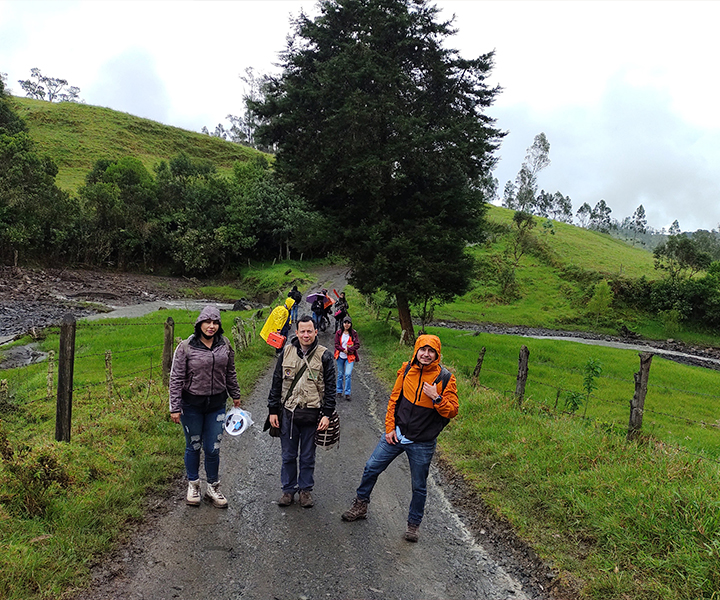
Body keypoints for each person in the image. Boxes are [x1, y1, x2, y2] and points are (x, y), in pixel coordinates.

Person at [341, 334, 458, 542]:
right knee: (371, 467)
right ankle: (361, 505)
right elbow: (394, 400)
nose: (426, 354)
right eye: (423, 349)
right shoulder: (406, 370)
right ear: (416, 350)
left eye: (431, 351)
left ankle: (413, 525)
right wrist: (389, 428)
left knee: (419, 485)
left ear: (437, 354)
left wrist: (436, 397)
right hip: (397, 434)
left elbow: (452, 411)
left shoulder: (445, 378)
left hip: (422, 442)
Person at [169, 305, 242, 508]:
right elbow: (176, 378)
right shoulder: (185, 347)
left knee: (212, 448)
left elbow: (230, 372)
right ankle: (193, 485)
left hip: (217, 405)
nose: (211, 326)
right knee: (193, 445)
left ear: (219, 325)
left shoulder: (225, 345)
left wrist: (235, 394)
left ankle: (213, 487)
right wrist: (175, 407)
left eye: (215, 322)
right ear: (199, 324)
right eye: (207, 322)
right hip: (191, 405)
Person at [267, 315, 336, 508]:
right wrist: (273, 410)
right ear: (296, 333)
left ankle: (305, 490)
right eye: (302, 331)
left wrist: (327, 414)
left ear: (315, 332)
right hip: (288, 413)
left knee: (307, 456)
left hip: (313, 414)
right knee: (288, 455)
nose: (306, 335)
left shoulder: (325, 355)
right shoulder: (286, 352)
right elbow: (276, 383)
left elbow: (331, 388)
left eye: (309, 331)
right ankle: (288, 490)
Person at [334, 316, 360, 401]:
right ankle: (339, 390)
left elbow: (357, 345)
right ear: (343, 323)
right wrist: (343, 350)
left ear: (350, 324)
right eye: (345, 322)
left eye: (348, 323)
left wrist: (348, 350)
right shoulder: (338, 333)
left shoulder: (354, 333)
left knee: (348, 374)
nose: (346, 324)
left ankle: (347, 392)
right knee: (340, 374)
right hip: (340, 356)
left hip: (350, 356)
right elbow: (336, 344)